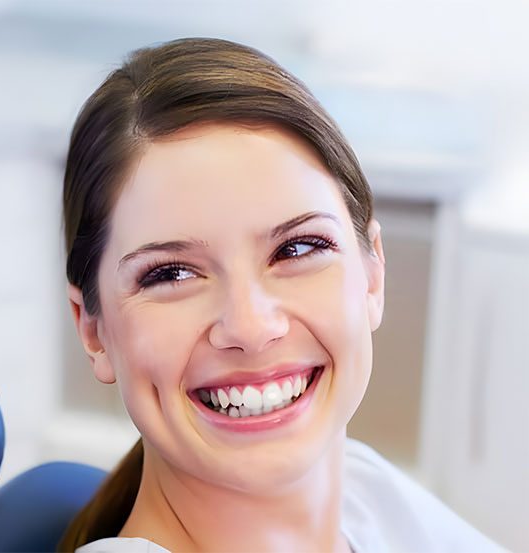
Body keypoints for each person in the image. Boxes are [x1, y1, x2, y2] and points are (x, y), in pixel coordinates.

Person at [58, 37, 505, 553]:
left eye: (297, 249)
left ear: (373, 274)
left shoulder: (369, 495)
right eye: (172, 275)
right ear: (92, 330)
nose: (250, 327)